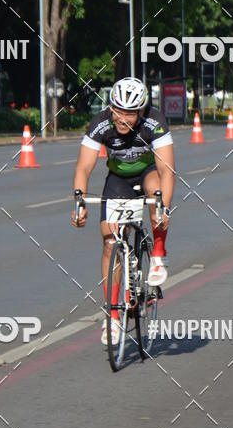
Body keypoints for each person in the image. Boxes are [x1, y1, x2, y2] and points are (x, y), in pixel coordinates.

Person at [71, 77, 175, 345]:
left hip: (149, 173)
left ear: (141, 112)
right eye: (117, 110)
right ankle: (113, 316)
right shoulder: (101, 123)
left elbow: (166, 170)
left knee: (157, 193)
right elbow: (84, 166)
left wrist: (163, 209)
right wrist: (79, 201)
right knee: (109, 241)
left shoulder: (155, 122)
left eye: (129, 112)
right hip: (118, 180)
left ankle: (159, 255)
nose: (122, 118)